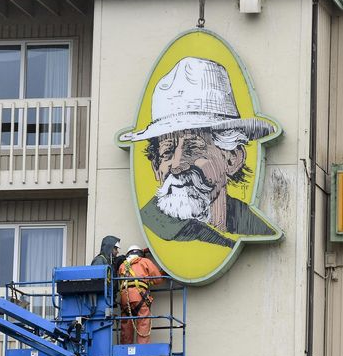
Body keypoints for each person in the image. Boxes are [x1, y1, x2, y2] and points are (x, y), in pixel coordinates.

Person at [118, 56, 279, 248]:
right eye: (167, 152)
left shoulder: (254, 228)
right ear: (155, 167)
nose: (177, 165)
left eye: (193, 148)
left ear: (233, 159)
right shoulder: (151, 227)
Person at [117, 245, 164, 345]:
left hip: (125, 298)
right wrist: (163, 272)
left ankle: (125, 349)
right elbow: (158, 279)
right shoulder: (144, 261)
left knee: (126, 323)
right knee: (143, 321)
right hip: (139, 296)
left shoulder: (122, 265)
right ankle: (142, 347)